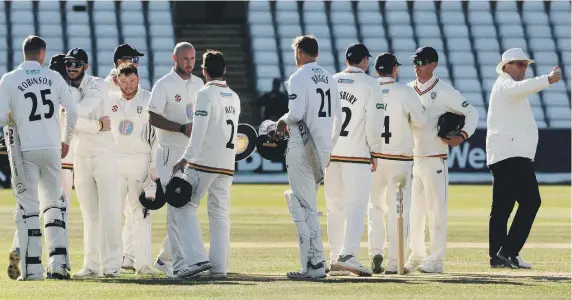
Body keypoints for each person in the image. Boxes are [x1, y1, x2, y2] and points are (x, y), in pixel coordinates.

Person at [0, 36, 77, 280]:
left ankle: (32, 269)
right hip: (53, 148)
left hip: (26, 150)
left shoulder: (10, 79)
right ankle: (58, 265)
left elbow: (2, 117)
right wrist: (66, 140)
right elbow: (72, 110)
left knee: (29, 208)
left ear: (24, 53)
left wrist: (14, 119)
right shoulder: (54, 77)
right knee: (54, 205)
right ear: (42, 53)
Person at [406, 46, 478, 274]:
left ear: (434, 65)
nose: (418, 67)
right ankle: (417, 255)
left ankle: (436, 259)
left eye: (423, 63)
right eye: (415, 63)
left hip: (436, 159)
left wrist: (462, 135)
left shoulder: (445, 91)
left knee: (436, 210)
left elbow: (472, 113)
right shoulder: (408, 90)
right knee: (414, 212)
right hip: (412, 159)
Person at [487, 48, 561, 269]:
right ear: (506, 66)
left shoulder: (508, 88)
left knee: (502, 208)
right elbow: (522, 88)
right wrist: (547, 79)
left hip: (506, 155)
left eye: (525, 64)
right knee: (531, 202)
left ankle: (498, 256)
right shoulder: (505, 84)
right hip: (511, 157)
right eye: (519, 64)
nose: (523, 68)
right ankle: (509, 251)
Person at [275, 35, 342, 279]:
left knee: (303, 207)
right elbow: (339, 119)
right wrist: (328, 147)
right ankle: (317, 262)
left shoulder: (298, 77)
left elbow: (296, 113)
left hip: (302, 147)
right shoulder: (330, 79)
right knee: (308, 204)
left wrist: (281, 121)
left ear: (300, 53)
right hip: (322, 149)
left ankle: (314, 264)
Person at [172, 50, 240, 279]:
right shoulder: (233, 95)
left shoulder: (204, 93)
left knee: (183, 206)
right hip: (226, 163)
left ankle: (197, 259)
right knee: (220, 214)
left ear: (204, 70)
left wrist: (185, 158)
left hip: (203, 161)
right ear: (225, 70)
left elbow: (199, 131)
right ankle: (219, 267)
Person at [325, 43, 384, 277]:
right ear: (365, 61)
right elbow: (374, 122)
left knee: (334, 208)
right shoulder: (371, 84)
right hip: (357, 154)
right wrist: (375, 151)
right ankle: (347, 255)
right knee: (356, 206)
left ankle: (334, 257)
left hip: (331, 153)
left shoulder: (331, 80)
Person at [146, 42, 204, 277]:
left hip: (191, 153)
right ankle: (180, 265)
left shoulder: (199, 83)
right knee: (175, 207)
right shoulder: (164, 84)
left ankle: (165, 258)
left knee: (187, 208)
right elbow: (152, 117)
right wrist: (181, 128)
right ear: (175, 58)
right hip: (169, 152)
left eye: (192, 59)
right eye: (185, 59)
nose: (189, 63)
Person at [64, 48, 123, 278]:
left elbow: (78, 111)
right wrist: (97, 125)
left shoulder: (98, 84)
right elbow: (72, 119)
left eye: (77, 63)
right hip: (81, 154)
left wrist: (78, 118)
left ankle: (112, 265)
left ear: (86, 66)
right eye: (69, 63)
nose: (72, 67)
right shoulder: (67, 87)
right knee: (89, 214)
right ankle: (91, 265)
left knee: (109, 211)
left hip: (104, 154)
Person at [367, 53, 427, 274]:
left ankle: (375, 252)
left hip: (373, 158)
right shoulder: (405, 91)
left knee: (374, 208)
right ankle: (395, 262)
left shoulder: (369, 89)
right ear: (394, 70)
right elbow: (421, 122)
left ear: (376, 71)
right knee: (399, 210)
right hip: (399, 160)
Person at [108, 63, 159, 275]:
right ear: (117, 80)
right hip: (115, 162)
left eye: (132, 81)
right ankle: (111, 266)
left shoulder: (148, 99)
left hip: (140, 162)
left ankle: (143, 265)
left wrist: (154, 166)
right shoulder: (109, 99)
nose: (128, 86)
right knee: (112, 213)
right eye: (123, 81)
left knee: (141, 213)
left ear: (138, 79)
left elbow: (157, 136)